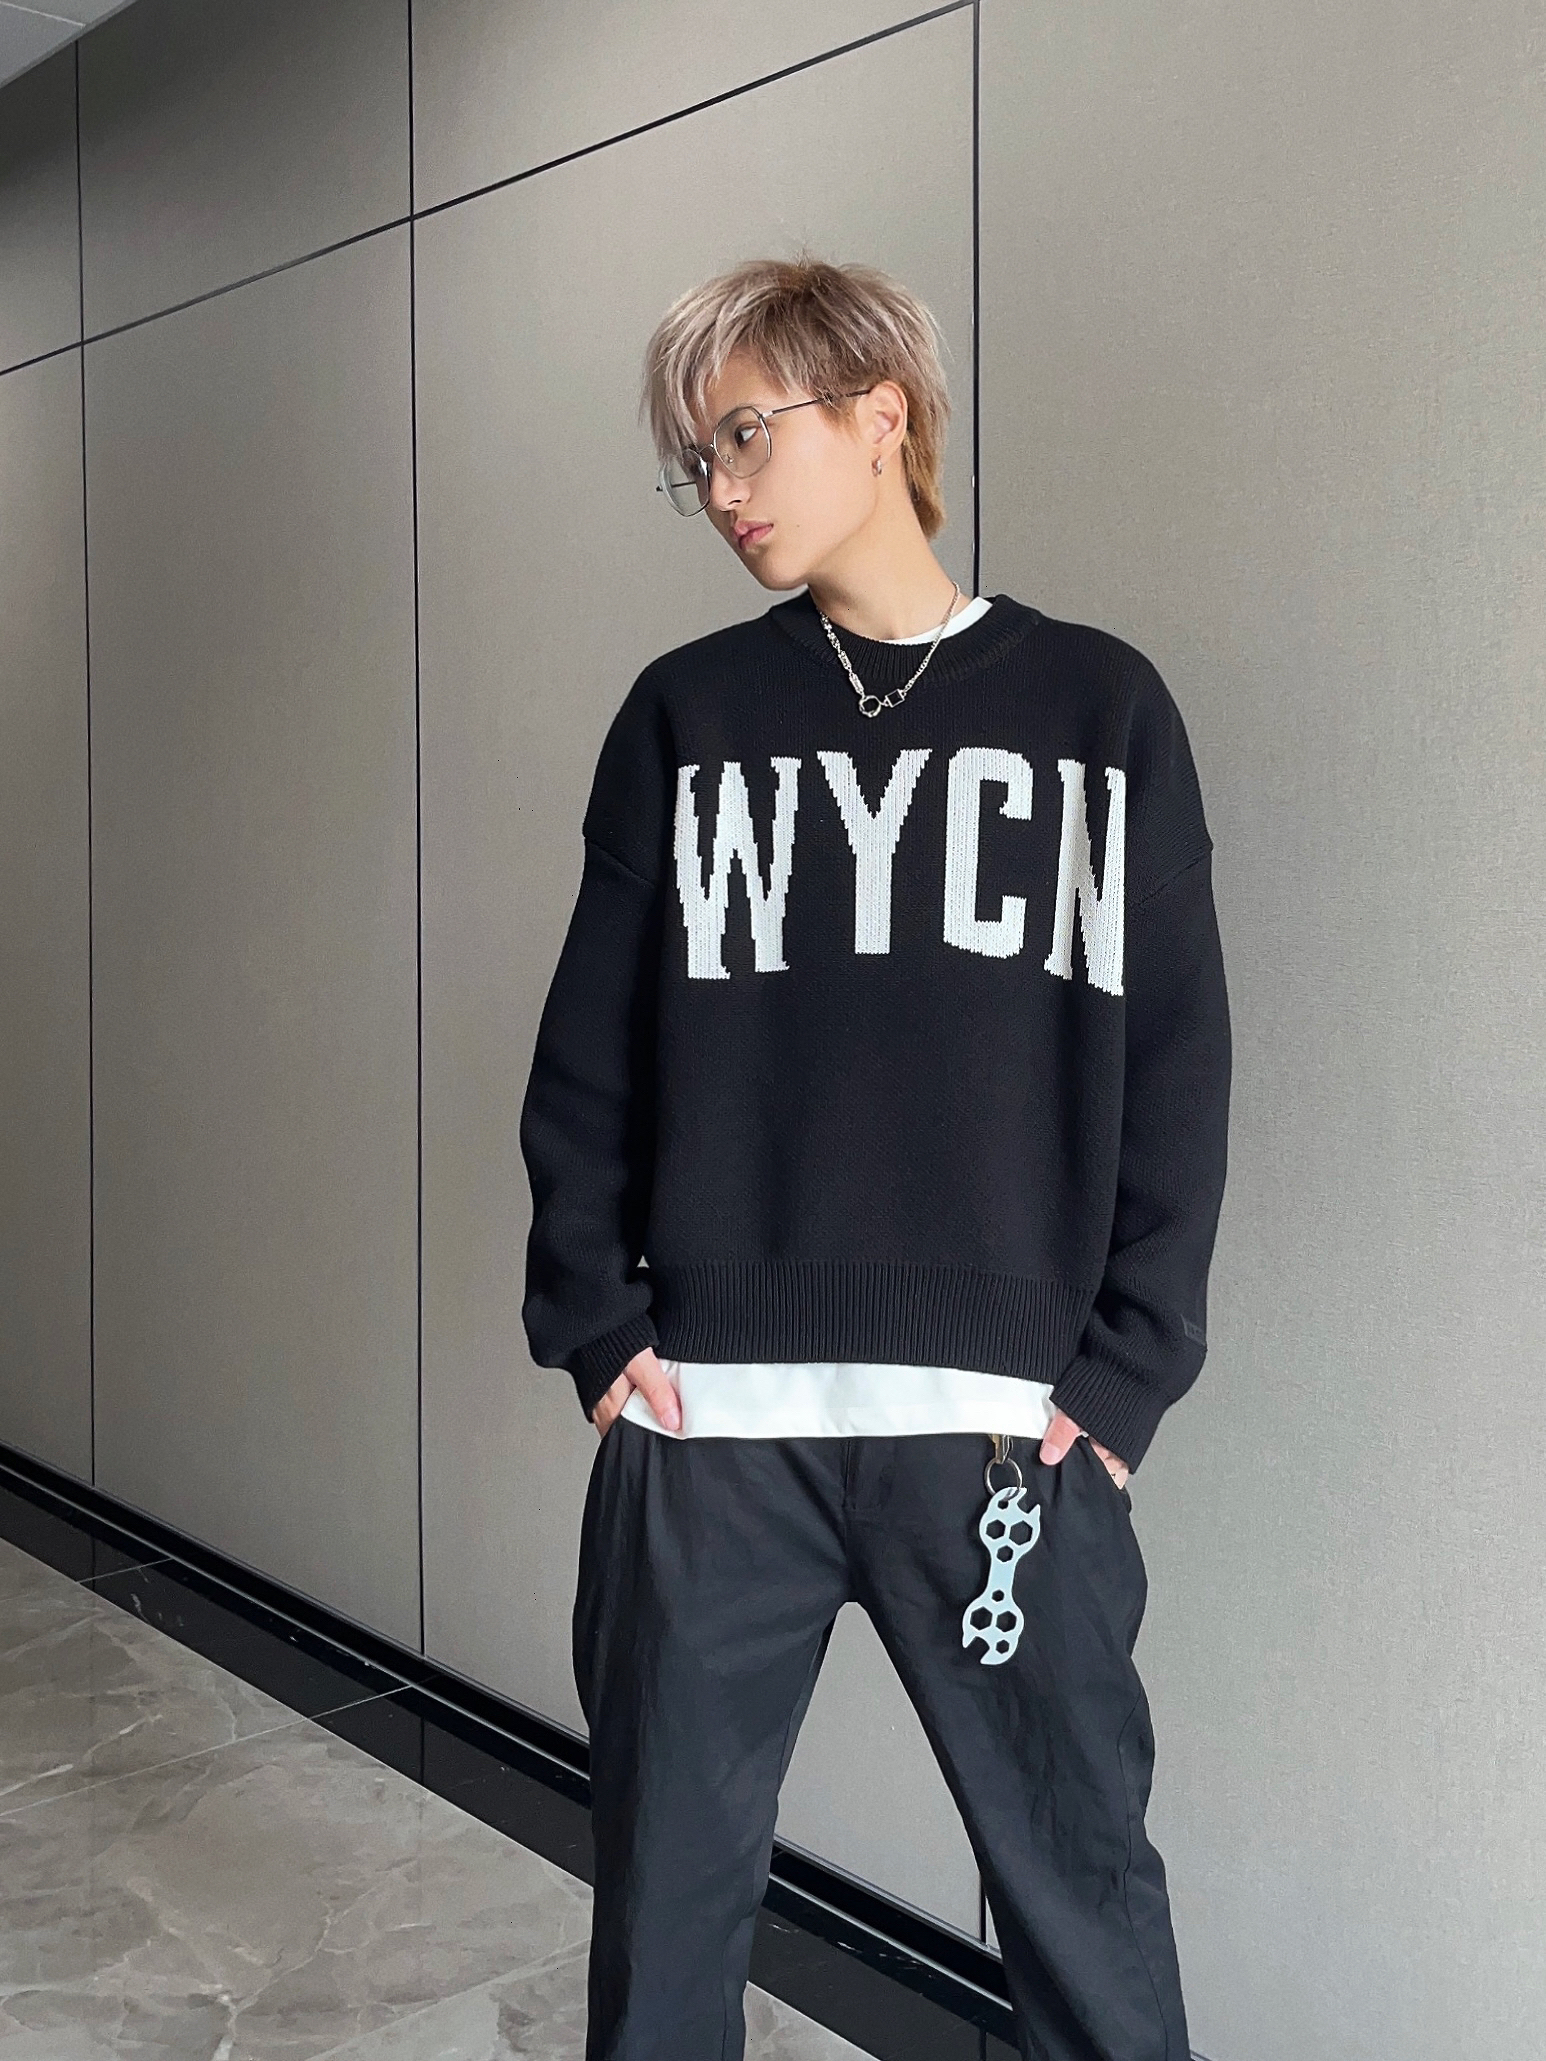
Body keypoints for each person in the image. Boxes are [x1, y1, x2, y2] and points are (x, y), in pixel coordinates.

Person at [519, 251, 1232, 2061]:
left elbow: (1176, 1062)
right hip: (711, 1437)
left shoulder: (1098, 709)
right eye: (698, 459)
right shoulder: (683, 716)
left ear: (879, 414)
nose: (722, 487)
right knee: (665, 1933)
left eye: (746, 434)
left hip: (1001, 1442)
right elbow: (587, 1053)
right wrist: (595, 1326)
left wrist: (1127, 1373)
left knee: (1084, 1909)